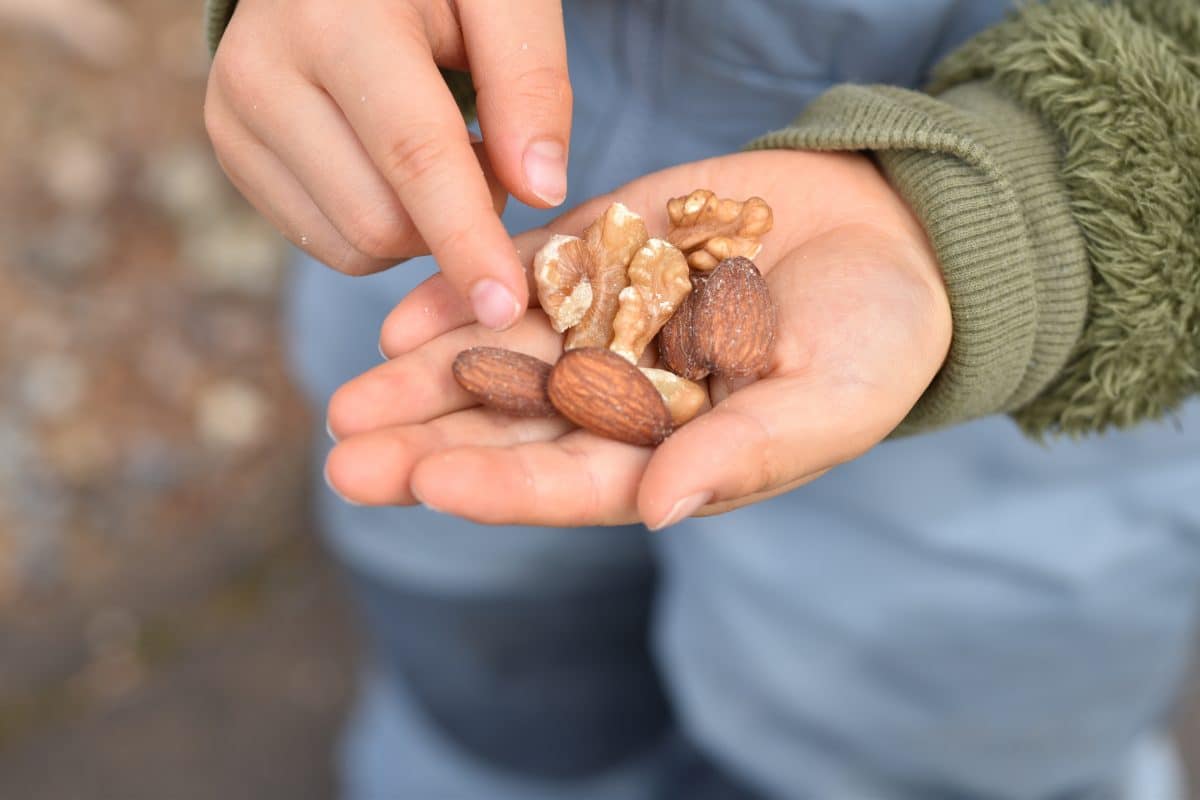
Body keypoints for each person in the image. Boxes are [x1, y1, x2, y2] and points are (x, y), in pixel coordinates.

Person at [202, 1, 1200, 797]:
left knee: (934, 746)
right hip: (474, 234)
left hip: (1029, 367)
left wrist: (1020, 211)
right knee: (493, 657)